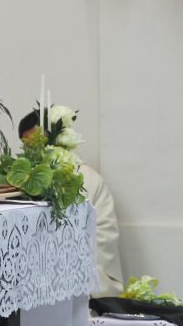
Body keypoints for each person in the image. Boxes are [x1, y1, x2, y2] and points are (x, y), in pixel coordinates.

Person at [17, 110, 123, 296]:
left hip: (82, 273)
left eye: (38, 143)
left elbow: (104, 236)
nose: (33, 151)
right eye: (28, 146)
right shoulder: (25, 181)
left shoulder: (89, 180)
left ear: (55, 139)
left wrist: (66, 258)